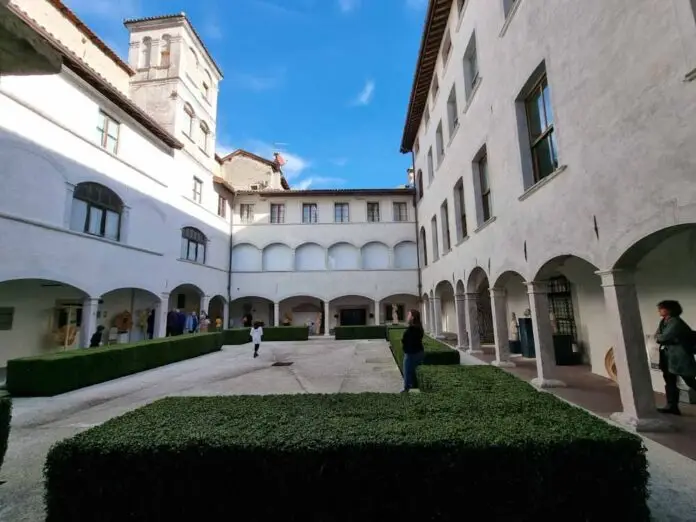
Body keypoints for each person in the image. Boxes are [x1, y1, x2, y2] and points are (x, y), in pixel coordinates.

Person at [655, 300, 696, 415]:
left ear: (669, 309)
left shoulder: (675, 322)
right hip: (667, 356)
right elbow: (658, 336)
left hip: (680, 357)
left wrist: (661, 337)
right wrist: (661, 337)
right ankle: (672, 406)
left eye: (661, 308)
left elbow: (663, 337)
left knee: (689, 380)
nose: (659, 310)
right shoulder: (664, 321)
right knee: (670, 381)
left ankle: (672, 406)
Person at [401, 309, 425, 393]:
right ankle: (414, 388)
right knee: (415, 372)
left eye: (409, 315)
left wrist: (405, 348)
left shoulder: (412, 329)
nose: (407, 316)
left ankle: (407, 389)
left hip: (411, 354)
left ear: (413, 317)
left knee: (408, 373)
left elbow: (407, 341)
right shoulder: (419, 328)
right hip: (419, 352)